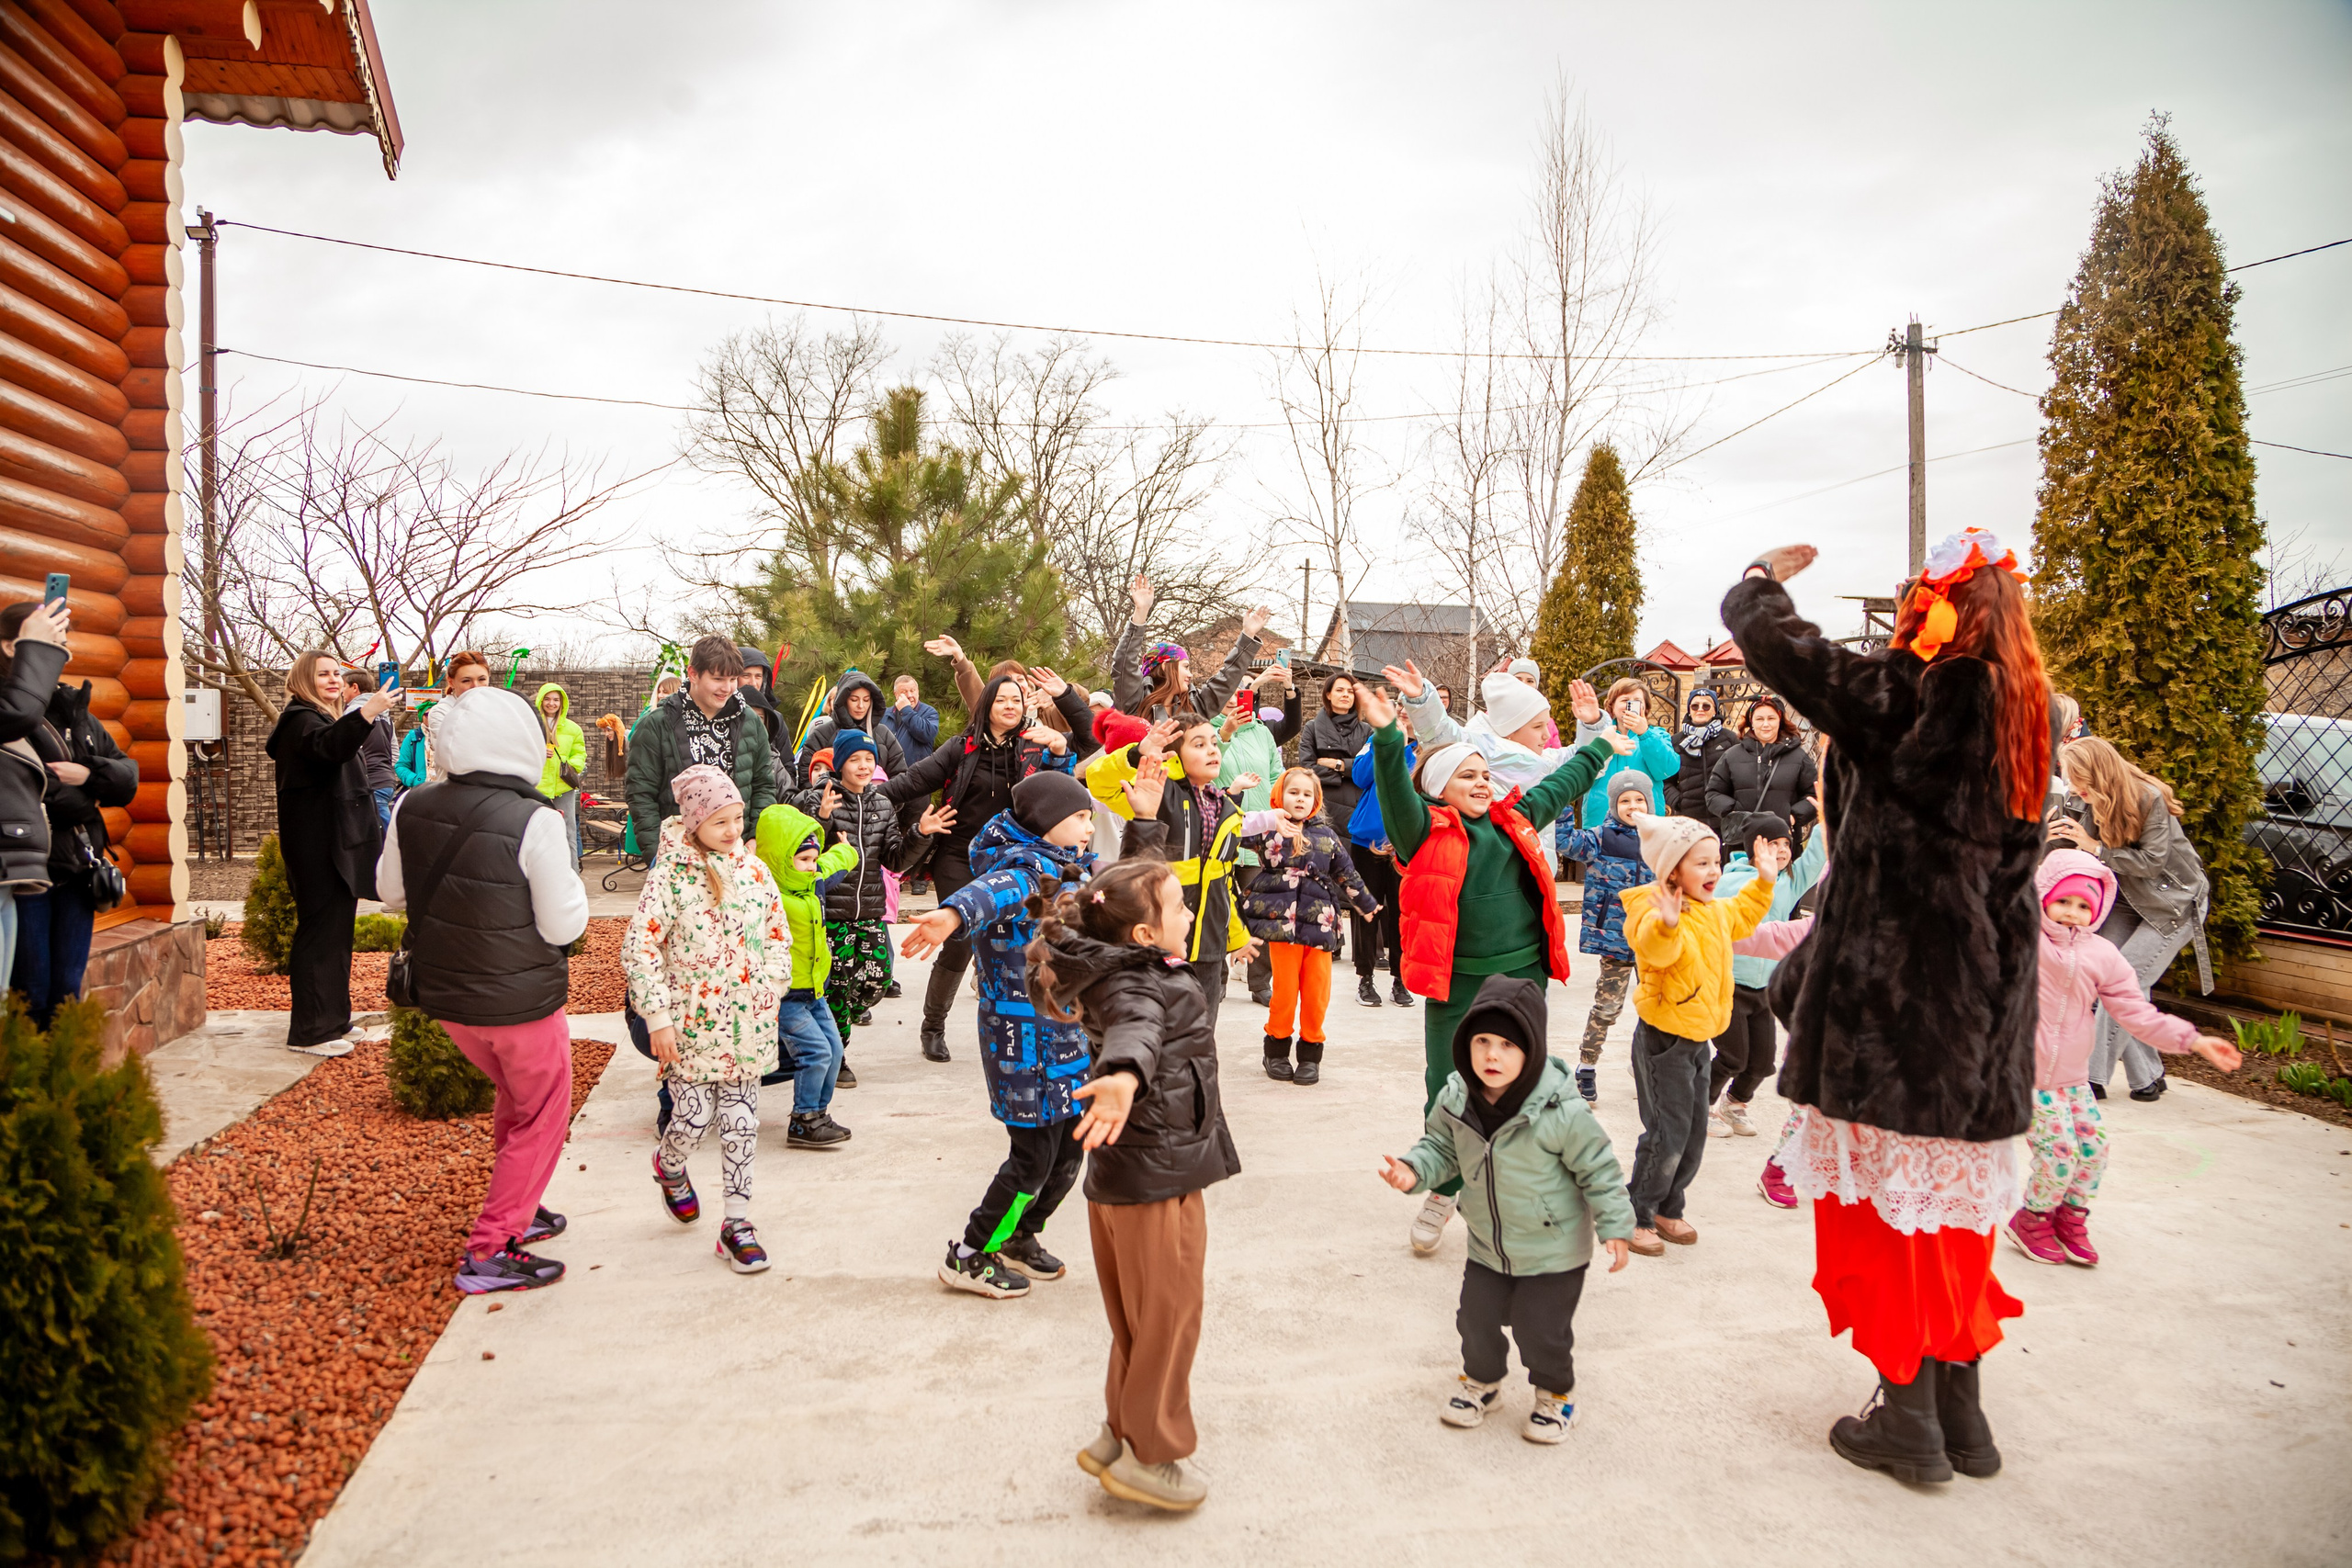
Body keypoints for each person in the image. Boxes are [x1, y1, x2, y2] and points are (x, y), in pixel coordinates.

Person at [1723, 527, 2052, 1485]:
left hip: (1897, 1011)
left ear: (1941, 610)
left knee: (1888, 1222)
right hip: (1984, 1012)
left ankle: (1905, 1417)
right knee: (1952, 1220)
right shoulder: (2027, 712)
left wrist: (1756, 582)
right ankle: (1961, 1416)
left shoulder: (1917, 698)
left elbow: (1788, 652)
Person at [1362, 678, 1634, 1256]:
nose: (1483, 782)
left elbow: (1562, 784)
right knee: (1448, 1090)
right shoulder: (1423, 833)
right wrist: (1388, 737)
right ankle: (1444, 1187)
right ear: (1439, 790)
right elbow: (1394, 792)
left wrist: (1601, 745)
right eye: (1468, 775)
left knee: (1523, 1087)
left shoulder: (1518, 820)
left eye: (1486, 774)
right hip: (1457, 986)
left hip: (1521, 982)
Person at [1027, 857, 1240, 1513]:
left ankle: (1119, 1432)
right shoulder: (1138, 987)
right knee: (1169, 1323)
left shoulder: (1119, 959)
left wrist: (1145, 829)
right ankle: (1155, 1454)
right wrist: (1122, 1075)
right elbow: (1136, 1031)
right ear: (1144, 935)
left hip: (1132, 1172)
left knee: (1140, 1323)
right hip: (1158, 1177)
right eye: (1177, 907)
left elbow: (1121, 905)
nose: (1187, 913)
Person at [377, 686, 590, 1294]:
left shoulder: (411, 804)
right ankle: (492, 1248)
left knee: (516, 1098)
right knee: (543, 1112)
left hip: (447, 999)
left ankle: (522, 1203)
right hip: (520, 1002)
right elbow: (564, 925)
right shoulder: (538, 819)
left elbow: (390, 891)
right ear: (524, 742)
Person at [1379, 976, 1633, 1441]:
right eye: (1482, 1042)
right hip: (1488, 1244)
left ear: (1531, 1050)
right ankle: (1483, 1381)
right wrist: (1414, 1171)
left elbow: (1600, 1170)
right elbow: (1441, 1147)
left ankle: (1556, 1395)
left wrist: (1616, 1225)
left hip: (1553, 1250)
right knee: (1473, 1319)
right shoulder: (1458, 1098)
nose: (1491, 1055)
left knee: (1541, 1331)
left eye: (1506, 1045)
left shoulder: (1561, 1112)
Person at [900, 772, 1101, 1298]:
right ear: (1047, 821)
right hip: (1024, 1044)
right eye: (1079, 816)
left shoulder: (1067, 869)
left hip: (1066, 1039)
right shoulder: (1026, 871)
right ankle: (970, 1253)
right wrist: (950, 915)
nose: (1088, 825)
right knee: (1033, 1158)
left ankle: (1019, 1237)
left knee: (1068, 1152)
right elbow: (989, 894)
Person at [2014, 850, 2241, 1267]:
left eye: (2084, 905)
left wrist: (2194, 1041)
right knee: (2059, 1151)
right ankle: (2032, 1218)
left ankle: (2070, 1218)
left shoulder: (2103, 955)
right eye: (2063, 901)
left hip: (2073, 1079)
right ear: (2043, 896)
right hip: (2025, 1075)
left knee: (2094, 1149)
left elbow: (2137, 1014)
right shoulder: (2022, 939)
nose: (2073, 912)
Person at [626, 764, 792, 1275]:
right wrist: (657, 1017)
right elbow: (640, 947)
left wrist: (770, 987)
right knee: (694, 1119)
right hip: (691, 1028)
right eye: (720, 820)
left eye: (738, 817)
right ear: (694, 821)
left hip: (747, 1026)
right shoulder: (670, 878)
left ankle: (736, 1223)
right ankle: (670, 1166)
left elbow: (778, 935)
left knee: (741, 1124)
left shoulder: (754, 872)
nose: (732, 829)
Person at [882, 668, 1090, 1061]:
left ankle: (1020, 1027)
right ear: (987, 706)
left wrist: (1062, 733)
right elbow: (911, 782)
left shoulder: (1035, 746)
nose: (1010, 706)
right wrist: (863, 800)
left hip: (1013, 858)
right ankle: (933, 1025)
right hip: (959, 854)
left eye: (1017, 699)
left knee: (1016, 943)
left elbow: (1089, 738)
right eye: (1001, 700)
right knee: (960, 940)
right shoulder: (962, 747)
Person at [1616, 810, 1776, 1256]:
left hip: (1698, 1041)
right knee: (1666, 1132)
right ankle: (1638, 1213)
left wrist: (1764, 881)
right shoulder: (1650, 912)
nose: (1713, 871)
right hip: (1662, 1042)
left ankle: (1670, 1207)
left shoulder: (1714, 912)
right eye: (1701, 863)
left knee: (1694, 1131)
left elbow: (1743, 915)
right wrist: (1667, 923)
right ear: (1673, 871)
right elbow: (1654, 950)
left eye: (1716, 861)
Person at [2051, 735, 2212, 1102]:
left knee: (2120, 984)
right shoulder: (2085, 798)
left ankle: (2090, 1079)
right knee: (2103, 980)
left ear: (2098, 773)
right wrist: (2048, 834)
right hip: (2128, 899)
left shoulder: (2148, 798)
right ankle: (2148, 1077)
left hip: (2173, 904)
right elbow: (2075, 852)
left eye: (2078, 778)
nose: (2073, 787)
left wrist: (2095, 847)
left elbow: (2152, 862)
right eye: (2069, 777)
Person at [1085, 713, 1256, 1030]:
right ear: (1175, 754)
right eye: (1199, 744)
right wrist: (1138, 753)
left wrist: (1237, 935)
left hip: (1208, 946)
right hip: (1159, 938)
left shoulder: (1228, 809)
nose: (1212, 751)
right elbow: (1100, 783)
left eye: (1214, 743)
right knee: (1153, 1028)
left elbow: (1222, 880)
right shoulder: (1158, 792)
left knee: (1200, 1030)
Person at [266, 651, 393, 1055]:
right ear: (304, 679)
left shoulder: (321, 717)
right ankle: (310, 1032)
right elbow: (330, 750)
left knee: (336, 935)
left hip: (333, 843)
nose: (334, 680)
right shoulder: (301, 720)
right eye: (323, 674)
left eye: (337, 673)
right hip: (316, 847)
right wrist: (367, 713)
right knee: (319, 936)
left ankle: (334, 1019)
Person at [790, 730, 926, 1089]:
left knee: (877, 979)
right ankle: (838, 1056)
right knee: (835, 987)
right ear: (840, 764)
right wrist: (820, 818)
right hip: (831, 913)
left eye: (869, 759)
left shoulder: (881, 804)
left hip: (869, 911)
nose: (864, 766)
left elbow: (896, 858)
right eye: (855, 760)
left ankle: (831, 1033)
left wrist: (921, 833)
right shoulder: (819, 796)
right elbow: (803, 850)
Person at [1237, 766, 1380, 1084]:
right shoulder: (1269, 830)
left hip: (1320, 925)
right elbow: (1231, 831)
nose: (1300, 799)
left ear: (1316, 800)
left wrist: (1367, 905)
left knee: (1317, 993)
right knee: (1285, 993)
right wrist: (1247, 803)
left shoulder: (1327, 837)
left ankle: (1311, 1052)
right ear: (1280, 795)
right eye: (1293, 792)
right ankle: (1275, 1049)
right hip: (1281, 927)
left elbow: (1347, 874)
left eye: (1307, 794)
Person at [1710, 807, 1828, 1139]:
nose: (1780, 851)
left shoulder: (1789, 879)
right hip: (1729, 984)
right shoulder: (1732, 882)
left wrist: (1825, 818)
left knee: (1762, 1062)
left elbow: (1817, 855)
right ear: (1752, 849)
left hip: (1765, 988)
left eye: (1786, 845)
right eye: (1771, 844)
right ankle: (1701, 1105)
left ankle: (1735, 1104)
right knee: (1733, 1056)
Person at [751, 797, 860, 1149]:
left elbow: (831, 862)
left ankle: (817, 1115)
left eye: (813, 860)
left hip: (814, 991)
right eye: (803, 860)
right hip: (787, 995)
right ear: (781, 861)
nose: (813, 867)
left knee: (833, 1050)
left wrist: (849, 850)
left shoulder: (809, 883)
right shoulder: (766, 896)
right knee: (816, 1052)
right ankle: (804, 1119)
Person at [623, 636, 780, 863]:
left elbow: (764, 785)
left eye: (733, 679)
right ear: (693, 673)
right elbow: (641, 794)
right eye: (718, 679)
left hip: (737, 852)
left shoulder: (750, 722)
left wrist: (755, 837)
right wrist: (657, 853)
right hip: (677, 856)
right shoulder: (657, 724)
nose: (727, 688)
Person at [1553, 770, 1656, 1104]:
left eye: (1639, 799)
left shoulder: (1662, 838)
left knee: (1656, 1007)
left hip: (1657, 939)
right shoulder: (1601, 838)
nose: (1632, 805)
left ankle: (1648, 1066)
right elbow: (1567, 843)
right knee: (1607, 1006)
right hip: (1616, 938)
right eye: (1625, 800)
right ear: (1613, 805)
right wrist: (1563, 803)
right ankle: (1586, 1068)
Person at [1215, 670, 1301, 1006]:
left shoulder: (1263, 733)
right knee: (1219, 909)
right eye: (1231, 693)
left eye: (1244, 694)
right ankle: (1217, 978)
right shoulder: (1207, 729)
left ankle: (1259, 982)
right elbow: (1205, 767)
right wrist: (1223, 734)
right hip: (1221, 831)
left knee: (1264, 909)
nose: (1238, 700)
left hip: (1260, 834)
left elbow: (1276, 774)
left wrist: (1287, 801)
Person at [0, 601, 74, 986]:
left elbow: (120, 773)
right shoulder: (19, 704)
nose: (63, 656)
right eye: (52, 645)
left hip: (14, 871)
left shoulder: (67, 704)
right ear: (12, 647)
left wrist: (92, 778)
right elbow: (16, 716)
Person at [1110, 571, 1272, 722]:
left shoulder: (1195, 706)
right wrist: (1141, 612)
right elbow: (1123, 663)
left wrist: (1247, 635)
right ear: (1166, 666)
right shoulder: (1135, 699)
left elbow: (1227, 679)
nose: (1190, 674)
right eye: (1185, 667)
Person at [1344, 710, 1415, 1009]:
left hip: (1404, 845)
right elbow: (1360, 776)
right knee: (1367, 910)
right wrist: (1386, 743)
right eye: (1398, 711)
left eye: (1408, 712)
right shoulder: (1375, 742)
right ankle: (1366, 977)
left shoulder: (1423, 751)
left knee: (1402, 914)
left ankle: (1401, 979)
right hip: (1367, 841)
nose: (1401, 715)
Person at [1705, 694, 1818, 849]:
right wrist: (1735, 812)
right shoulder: (1732, 755)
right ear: (1751, 722)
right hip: (1742, 842)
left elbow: (1814, 794)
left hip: (1783, 842)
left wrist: (1792, 817)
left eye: (1771, 718)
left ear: (1780, 721)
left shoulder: (1798, 757)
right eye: (1759, 719)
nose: (1766, 724)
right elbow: (1713, 794)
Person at [1566, 678, 1679, 828]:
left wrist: (1645, 734)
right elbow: (1583, 769)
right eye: (1625, 700)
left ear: (1645, 708)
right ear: (1612, 706)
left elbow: (1667, 770)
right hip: (1600, 823)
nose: (1630, 705)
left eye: (1637, 701)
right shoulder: (1598, 734)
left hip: (1646, 823)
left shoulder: (1657, 735)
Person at [797, 670, 907, 789]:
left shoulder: (883, 734)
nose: (861, 706)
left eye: (866, 700)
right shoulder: (822, 734)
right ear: (843, 700)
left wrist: (878, 802)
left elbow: (900, 776)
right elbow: (806, 779)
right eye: (854, 700)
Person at [530, 682, 587, 873]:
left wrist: (571, 765)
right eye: (547, 699)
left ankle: (573, 875)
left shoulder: (573, 728)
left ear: (562, 702)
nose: (551, 703)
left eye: (556, 699)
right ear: (540, 700)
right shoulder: (531, 724)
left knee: (568, 831)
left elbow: (580, 753)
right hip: (537, 787)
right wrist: (537, 752)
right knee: (536, 832)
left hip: (563, 788)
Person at [416, 650, 494, 786]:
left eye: (482, 679)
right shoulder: (441, 711)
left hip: (490, 791)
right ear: (451, 682)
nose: (475, 686)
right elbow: (452, 755)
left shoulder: (495, 708)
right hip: (455, 792)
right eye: (466, 680)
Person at [1667, 687, 1738, 833]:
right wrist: (1678, 801)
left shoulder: (1729, 739)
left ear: (1715, 711)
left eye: (1706, 706)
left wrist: (1731, 804)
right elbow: (1666, 780)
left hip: (1723, 819)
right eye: (1695, 706)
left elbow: (1740, 776)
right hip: (1688, 820)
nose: (1700, 709)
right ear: (1689, 710)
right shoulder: (1676, 741)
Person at [341, 668, 399, 829]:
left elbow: (346, 748)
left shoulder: (353, 713)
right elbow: (394, 753)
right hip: (386, 781)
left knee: (382, 831)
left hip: (368, 782)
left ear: (354, 687)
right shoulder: (386, 717)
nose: (341, 692)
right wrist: (386, 770)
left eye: (344, 687)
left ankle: (401, 852)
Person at [878, 672, 940, 761]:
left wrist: (906, 710)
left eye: (912, 690)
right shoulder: (885, 715)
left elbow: (927, 734)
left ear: (918, 691)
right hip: (891, 772)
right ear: (896, 694)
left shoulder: (929, 712)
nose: (909, 695)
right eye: (904, 692)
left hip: (917, 772)